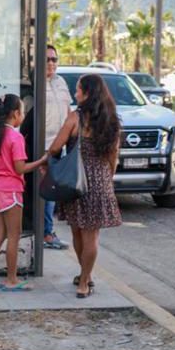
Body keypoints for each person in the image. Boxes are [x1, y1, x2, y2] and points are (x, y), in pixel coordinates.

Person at [47, 74, 122, 298]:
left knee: (77, 232)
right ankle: (85, 278)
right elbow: (114, 156)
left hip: (75, 181)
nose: (75, 93)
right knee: (92, 236)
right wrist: (107, 178)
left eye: (78, 90)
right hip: (100, 181)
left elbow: (54, 148)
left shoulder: (75, 118)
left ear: (87, 93)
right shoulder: (111, 120)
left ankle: (85, 278)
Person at [0, 94, 47, 291]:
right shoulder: (16, 137)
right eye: (22, 111)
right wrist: (42, 161)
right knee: (14, 235)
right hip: (11, 191)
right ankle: (12, 280)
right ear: (15, 114)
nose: (23, 114)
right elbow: (20, 168)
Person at [42, 44, 71, 250]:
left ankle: (47, 232)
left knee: (51, 191)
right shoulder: (35, 84)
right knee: (45, 191)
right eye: (47, 59)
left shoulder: (61, 82)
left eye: (54, 59)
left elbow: (68, 111)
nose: (51, 63)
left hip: (58, 146)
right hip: (41, 147)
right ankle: (45, 233)